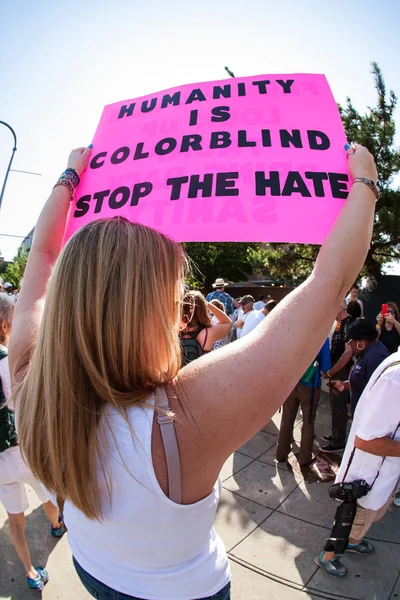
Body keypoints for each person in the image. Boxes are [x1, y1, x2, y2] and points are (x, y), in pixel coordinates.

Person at [10, 144, 377, 600]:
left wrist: (68, 177)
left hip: (90, 565)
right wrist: (365, 182)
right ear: (150, 313)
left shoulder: (29, 381)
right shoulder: (183, 416)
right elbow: (331, 282)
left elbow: (43, 255)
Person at [315, 350, 400, 577]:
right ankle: (328, 556)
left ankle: (353, 541)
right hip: (369, 474)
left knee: (369, 516)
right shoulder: (396, 378)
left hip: (384, 472)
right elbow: (366, 441)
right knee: (351, 518)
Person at [0, 293, 64, 591]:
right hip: (22, 449)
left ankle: (29, 572)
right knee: (48, 496)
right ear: (5, 324)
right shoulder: (7, 361)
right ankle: (56, 525)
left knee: (15, 519)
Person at [276, 338, 331, 467]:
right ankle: (305, 458)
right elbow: (325, 366)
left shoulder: (296, 331)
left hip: (291, 381)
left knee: (287, 418)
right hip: (310, 385)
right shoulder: (322, 338)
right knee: (308, 421)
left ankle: (281, 453)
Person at [329, 319, 389, 416]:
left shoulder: (376, 357)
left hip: (368, 421)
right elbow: (364, 380)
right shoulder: (367, 352)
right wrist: (344, 385)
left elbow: (377, 393)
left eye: (350, 341)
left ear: (361, 341)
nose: (349, 345)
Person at [321, 302, 352, 453]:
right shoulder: (338, 324)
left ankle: (339, 441)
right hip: (335, 369)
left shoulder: (349, 324)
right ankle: (335, 436)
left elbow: (347, 354)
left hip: (341, 372)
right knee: (334, 406)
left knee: (339, 408)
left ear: (340, 307)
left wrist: (331, 372)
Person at [180, 291, 232, 365]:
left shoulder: (177, 330)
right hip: (200, 373)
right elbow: (228, 323)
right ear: (203, 309)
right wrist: (207, 304)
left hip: (178, 373)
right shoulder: (208, 332)